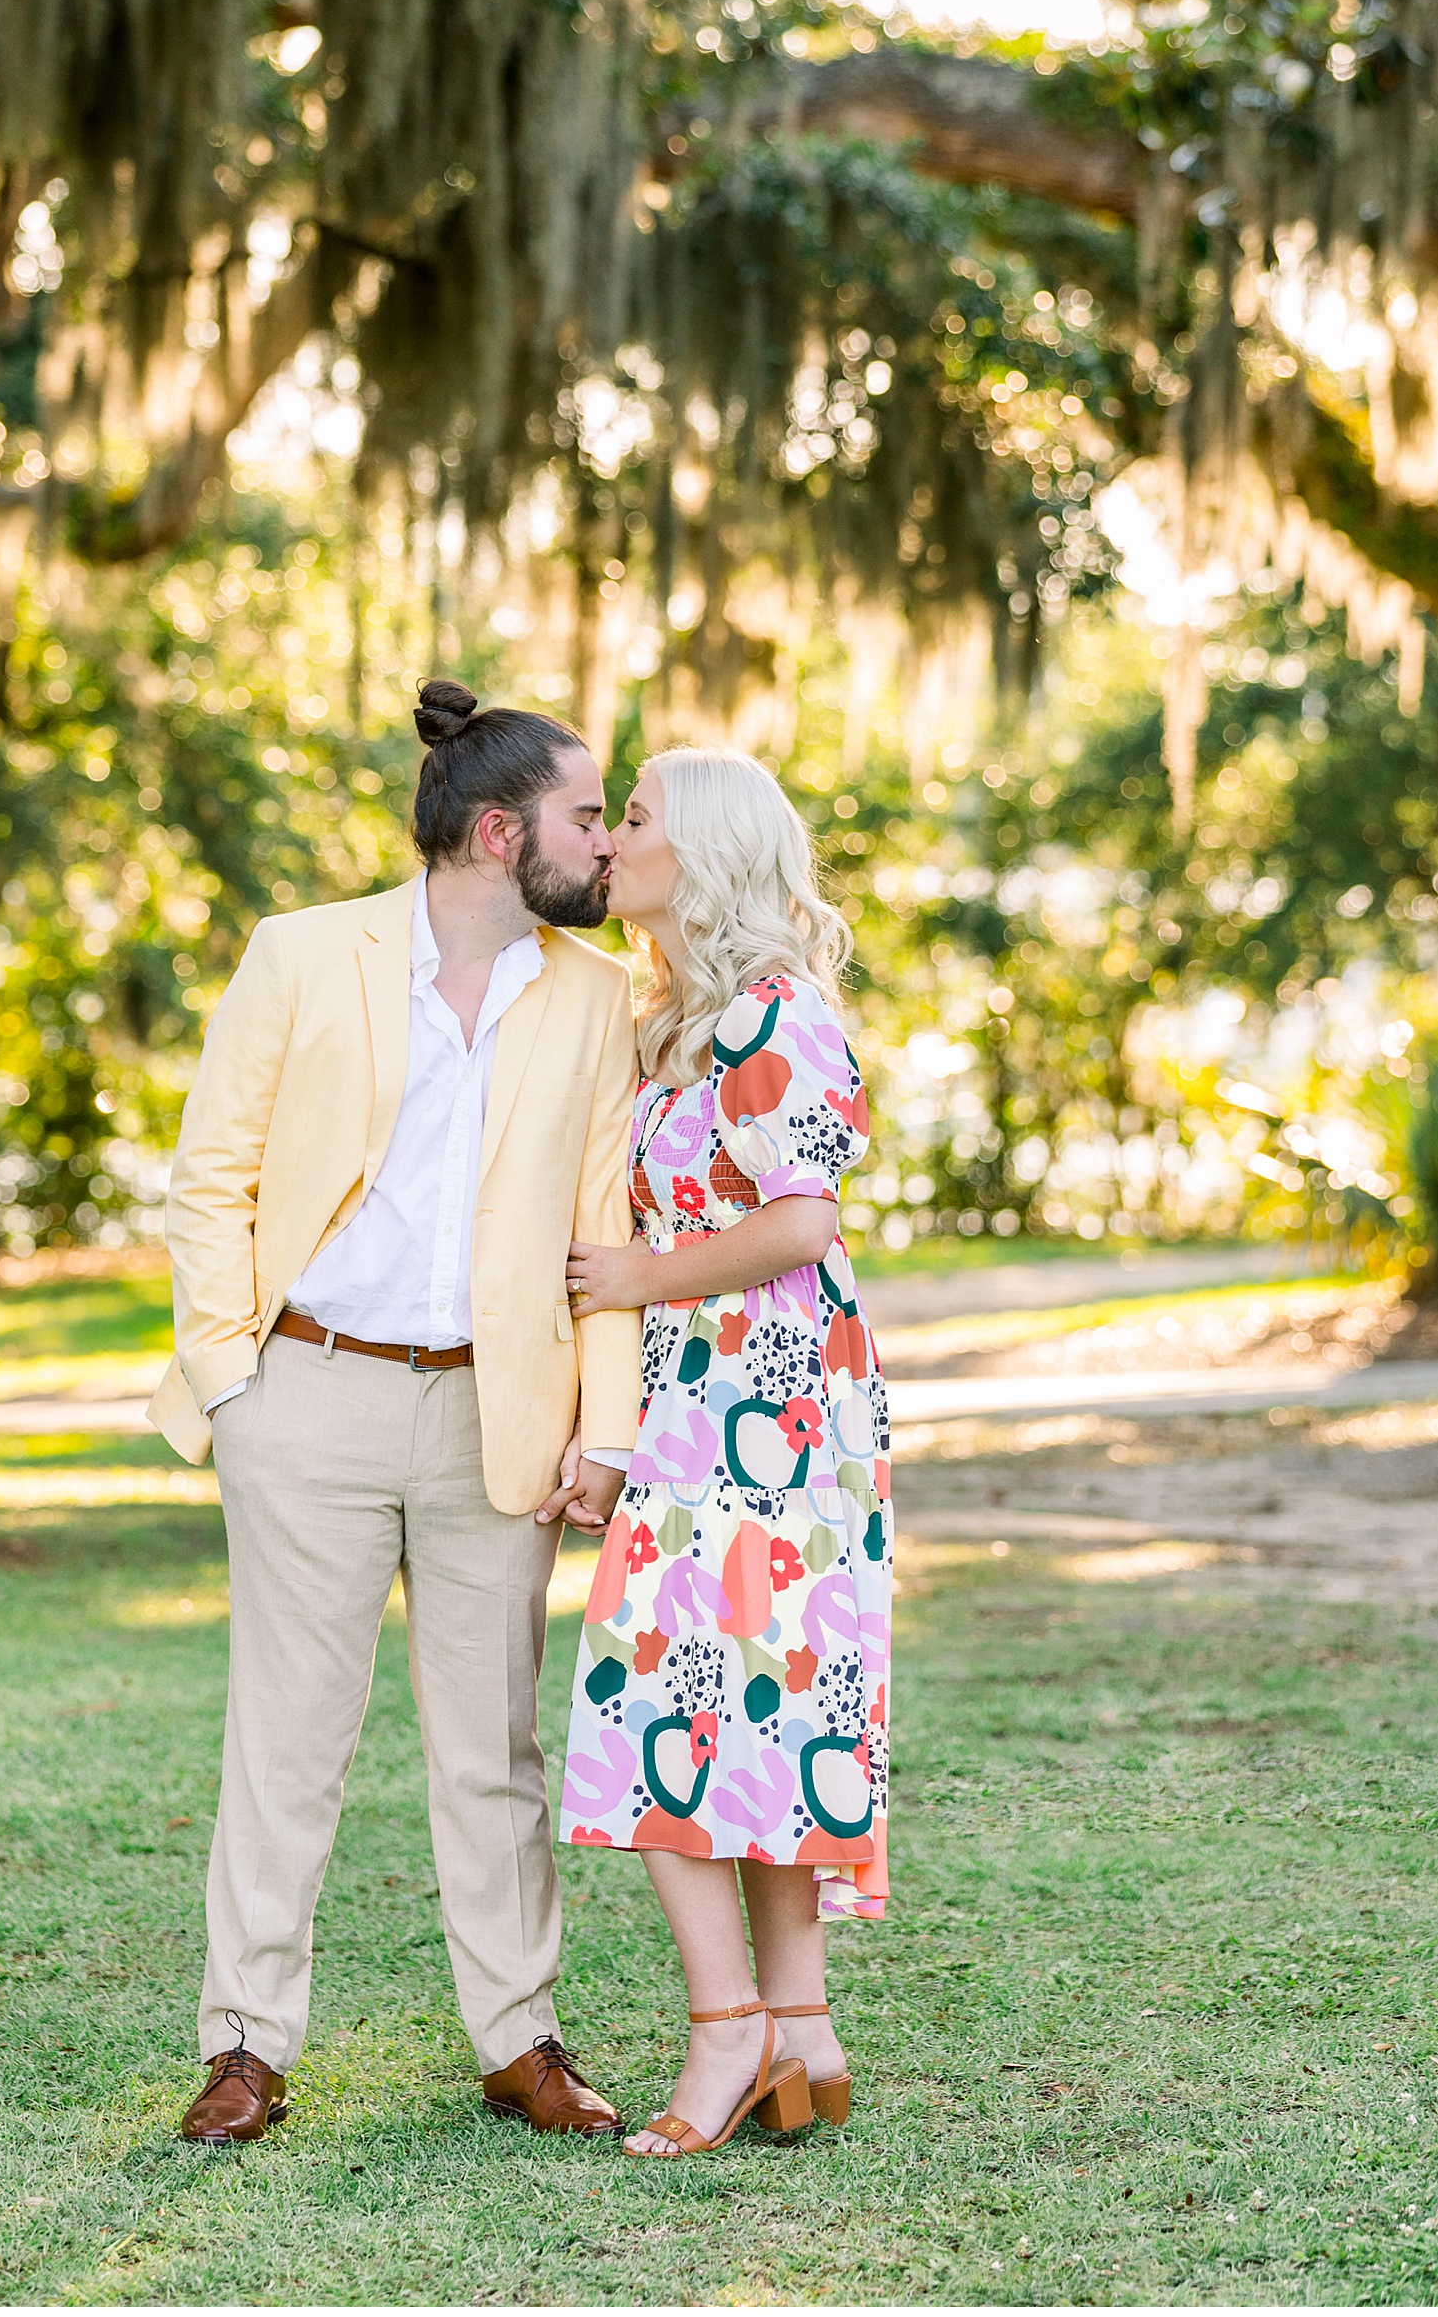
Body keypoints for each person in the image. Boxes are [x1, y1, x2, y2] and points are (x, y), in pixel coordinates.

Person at [148, 678, 641, 2145]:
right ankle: (246, 2045)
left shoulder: (598, 996)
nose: (607, 843)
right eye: (586, 817)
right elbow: (210, 1178)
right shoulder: (302, 954)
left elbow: (604, 1231)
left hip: (500, 1414)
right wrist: (233, 1383)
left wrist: (605, 1427)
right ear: (499, 833)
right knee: (286, 1738)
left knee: (494, 1747)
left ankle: (520, 2038)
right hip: (305, 1395)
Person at [558, 747, 891, 2159]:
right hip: (715, 1402)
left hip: (768, 1410)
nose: (610, 839)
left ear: (697, 851)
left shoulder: (769, 1011)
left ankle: (727, 2028)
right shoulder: (679, 1021)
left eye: (632, 817)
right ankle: (799, 2028)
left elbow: (803, 1220)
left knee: (658, 1706)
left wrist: (641, 1275)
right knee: (758, 1715)